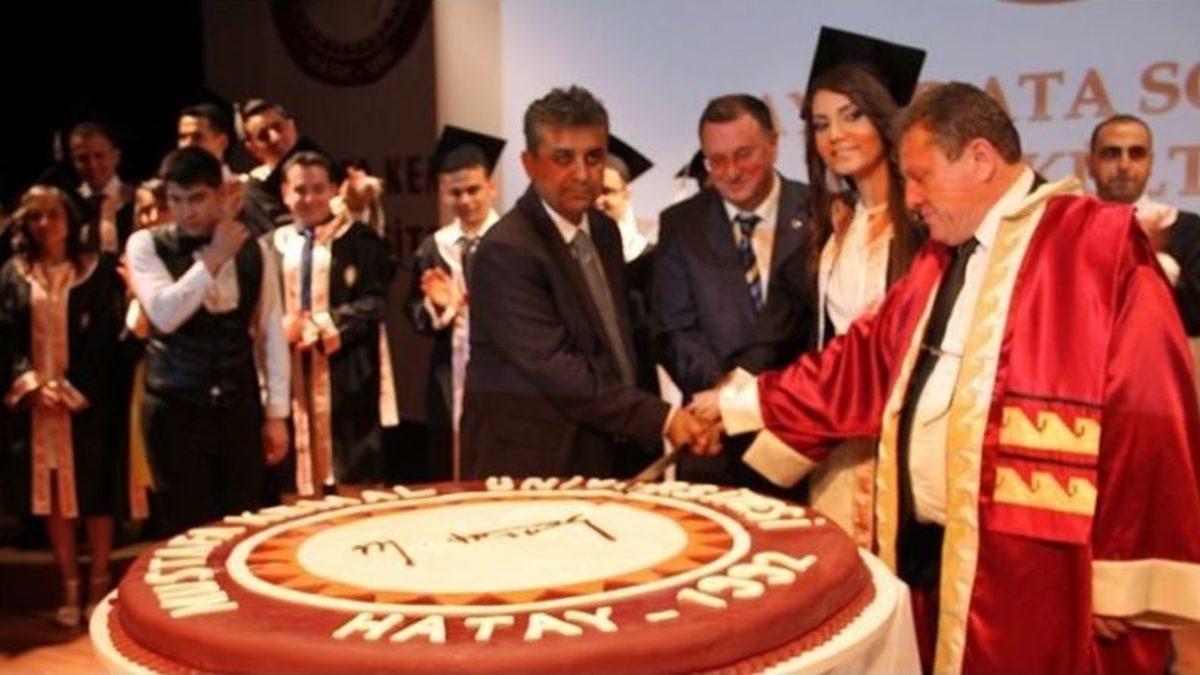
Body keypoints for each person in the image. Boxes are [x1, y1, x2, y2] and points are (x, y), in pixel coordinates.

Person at [711, 82, 1200, 674]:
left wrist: (1120, 572)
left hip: (1039, 569)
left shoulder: (1096, 245)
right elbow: (864, 360)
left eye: (920, 178)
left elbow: (1150, 414)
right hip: (927, 554)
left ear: (980, 158)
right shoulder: (941, 255)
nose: (911, 198)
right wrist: (739, 404)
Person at [462, 85, 716, 479]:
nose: (582, 174)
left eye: (593, 157)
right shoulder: (506, 251)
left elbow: (618, 341)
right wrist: (664, 419)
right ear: (529, 164)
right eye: (563, 158)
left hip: (611, 451)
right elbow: (556, 369)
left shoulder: (603, 230)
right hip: (536, 465)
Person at [126, 147, 289, 536]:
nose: (187, 212)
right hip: (175, 407)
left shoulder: (255, 249)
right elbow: (165, 314)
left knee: (243, 525)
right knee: (187, 528)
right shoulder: (146, 245)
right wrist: (213, 260)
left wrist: (276, 415)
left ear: (220, 194)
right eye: (176, 200)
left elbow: (270, 330)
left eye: (197, 198)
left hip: (237, 406)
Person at [653, 93, 808, 490]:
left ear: (773, 143)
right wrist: (724, 397)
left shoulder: (818, 212)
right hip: (715, 441)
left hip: (800, 437)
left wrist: (750, 397)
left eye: (744, 155)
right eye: (717, 161)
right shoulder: (681, 224)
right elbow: (676, 330)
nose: (732, 172)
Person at [0, 185, 122, 626]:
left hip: (87, 403)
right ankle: (69, 582)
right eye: (35, 217)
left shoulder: (95, 270)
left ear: (70, 219)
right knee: (51, 492)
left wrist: (75, 388)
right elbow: (6, 336)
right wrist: (30, 384)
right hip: (38, 405)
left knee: (95, 492)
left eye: (53, 215)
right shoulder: (13, 273)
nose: (44, 224)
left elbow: (107, 335)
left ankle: (100, 582)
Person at [271, 151, 397, 495]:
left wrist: (320, 326)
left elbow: (376, 302)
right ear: (284, 192)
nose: (309, 198)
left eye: (318, 188)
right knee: (292, 484)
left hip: (347, 373)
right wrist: (280, 327)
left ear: (334, 190)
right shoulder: (272, 245)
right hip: (290, 377)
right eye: (300, 189)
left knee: (353, 479)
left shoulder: (360, 240)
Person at [404, 126, 503, 481]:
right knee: (450, 463)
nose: (465, 200)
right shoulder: (435, 247)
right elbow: (413, 312)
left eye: (473, 189)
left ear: (491, 187)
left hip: (505, 371)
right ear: (444, 194)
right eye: (455, 192)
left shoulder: (514, 241)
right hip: (450, 370)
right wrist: (439, 307)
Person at [1087, 113, 1200, 334]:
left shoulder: (1187, 228)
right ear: (1090, 164)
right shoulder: (1067, 229)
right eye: (1111, 153)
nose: (1124, 165)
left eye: (1136, 154)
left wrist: (1155, 262)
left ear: (1150, 163)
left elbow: (1197, 315)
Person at [68, 121, 135, 254]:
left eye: (99, 155)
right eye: (82, 158)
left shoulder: (137, 199)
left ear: (116, 157)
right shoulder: (68, 205)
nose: (92, 165)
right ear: (73, 162)